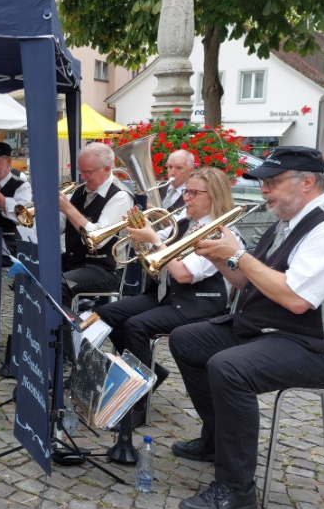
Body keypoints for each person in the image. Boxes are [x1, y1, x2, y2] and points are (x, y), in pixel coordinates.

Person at [168, 146, 324, 509]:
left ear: (307, 182)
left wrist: (238, 255)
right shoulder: (286, 224)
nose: (264, 190)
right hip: (273, 332)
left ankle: (236, 489)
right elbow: (246, 281)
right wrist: (218, 257)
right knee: (186, 340)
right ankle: (216, 441)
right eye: (263, 182)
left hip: (321, 348)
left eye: (273, 182)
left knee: (230, 368)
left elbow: (295, 298)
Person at [95, 167, 243, 426]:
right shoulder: (185, 222)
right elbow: (151, 252)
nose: (186, 198)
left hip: (198, 304)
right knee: (107, 314)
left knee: (136, 326)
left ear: (214, 196)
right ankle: (151, 372)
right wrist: (140, 233)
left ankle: (139, 399)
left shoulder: (222, 233)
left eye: (194, 193)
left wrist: (153, 239)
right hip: (168, 296)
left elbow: (184, 274)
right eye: (186, 192)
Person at [58, 142, 134, 308]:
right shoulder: (80, 192)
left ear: (107, 169)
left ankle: (66, 325)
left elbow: (97, 239)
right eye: (81, 171)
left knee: (59, 285)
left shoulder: (120, 196)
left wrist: (69, 209)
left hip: (105, 269)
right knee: (35, 271)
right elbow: (60, 226)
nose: (83, 177)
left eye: (88, 172)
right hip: (75, 261)